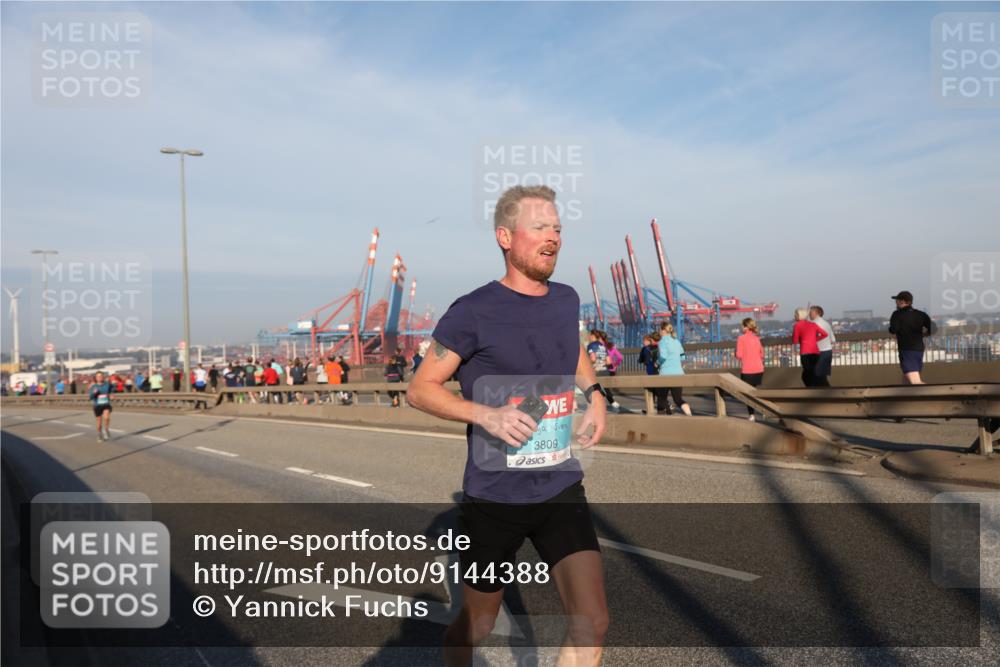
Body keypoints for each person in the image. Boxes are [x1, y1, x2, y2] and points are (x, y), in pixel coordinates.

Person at [407, 185, 609, 666]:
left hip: (559, 483)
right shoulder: (473, 311)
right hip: (495, 496)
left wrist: (596, 394)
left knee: (593, 620)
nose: (553, 237)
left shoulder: (565, 300)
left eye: (557, 228)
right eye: (540, 227)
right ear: (505, 236)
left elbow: (573, 347)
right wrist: (486, 414)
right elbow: (421, 388)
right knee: (477, 624)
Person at [888, 290, 934, 384]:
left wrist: (892, 330)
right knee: (908, 379)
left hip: (906, 349)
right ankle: (904, 397)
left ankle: (934, 394)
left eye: (897, 300)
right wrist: (924, 334)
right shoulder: (921, 314)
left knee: (915, 381)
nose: (896, 302)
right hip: (919, 349)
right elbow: (933, 328)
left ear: (902, 301)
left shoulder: (897, 314)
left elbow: (893, 329)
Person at [657, 322, 692, 415]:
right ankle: (690, 415)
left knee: (661, 398)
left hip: (665, 374)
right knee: (678, 399)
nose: (659, 331)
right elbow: (682, 355)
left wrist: (656, 363)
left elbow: (663, 357)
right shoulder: (676, 341)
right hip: (678, 373)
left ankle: (658, 422)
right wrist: (680, 364)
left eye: (660, 329)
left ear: (663, 330)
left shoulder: (662, 341)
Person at [735, 317, 765, 420]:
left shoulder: (741, 338)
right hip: (759, 369)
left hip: (748, 370)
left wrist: (736, 353)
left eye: (742, 326)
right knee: (755, 392)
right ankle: (764, 410)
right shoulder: (757, 338)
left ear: (746, 327)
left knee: (748, 393)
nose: (741, 328)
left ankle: (752, 415)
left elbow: (739, 355)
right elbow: (762, 354)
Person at [792, 308, 828, 387]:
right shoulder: (813, 324)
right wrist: (815, 339)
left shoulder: (797, 325)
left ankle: (812, 389)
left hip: (805, 352)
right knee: (815, 372)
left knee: (807, 373)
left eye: (795, 314)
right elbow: (825, 334)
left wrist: (798, 345)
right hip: (815, 352)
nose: (794, 316)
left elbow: (795, 340)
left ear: (799, 316)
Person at [587, 330, 620, 412]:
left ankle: (596, 408)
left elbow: (593, 359)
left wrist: (587, 363)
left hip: (596, 371)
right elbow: (609, 361)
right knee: (605, 388)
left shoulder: (591, 345)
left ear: (592, 336)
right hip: (605, 370)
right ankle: (612, 402)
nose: (588, 337)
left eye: (589, 335)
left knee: (593, 389)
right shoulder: (602, 346)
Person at [809, 305, 836, 387]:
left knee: (816, 376)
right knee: (822, 376)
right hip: (828, 351)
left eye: (810, 312)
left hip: (818, 352)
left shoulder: (812, 324)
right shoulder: (827, 324)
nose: (809, 315)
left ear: (816, 313)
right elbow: (833, 339)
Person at [88, 371, 114, 442]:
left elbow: (111, 390)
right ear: (96, 378)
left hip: (106, 404)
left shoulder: (107, 384)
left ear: (103, 377)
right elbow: (90, 397)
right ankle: (99, 435)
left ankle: (106, 430)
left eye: (101, 376)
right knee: (99, 423)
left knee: (106, 417)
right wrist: (94, 393)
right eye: (98, 376)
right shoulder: (93, 386)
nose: (100, 377)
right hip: (97, 405)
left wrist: (111, 395)